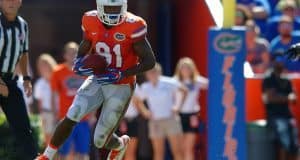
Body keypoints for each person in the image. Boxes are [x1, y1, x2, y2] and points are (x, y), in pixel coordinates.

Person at [35, 0, 156, 159]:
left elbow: (149, 61)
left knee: (100, 140)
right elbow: (86, 42)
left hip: (121, 84)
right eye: (109, 8)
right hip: (98, 78)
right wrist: (79, 59)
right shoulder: (90, 20)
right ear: (100, 7)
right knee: (73, 112)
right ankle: (46, 156)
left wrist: (122, 73)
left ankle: (120, 145)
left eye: (116, 8)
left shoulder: (133, 25)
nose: (112, 13)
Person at [0, 0, 38, 159]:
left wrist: (27, 78)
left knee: (23, 126)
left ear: (20, 2)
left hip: (10, 80)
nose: (11, 3)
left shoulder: (23, 25)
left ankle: (32, 157)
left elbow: (24, 52)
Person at [135, 63, 185, 160]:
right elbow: (137, 100)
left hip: (171, 119)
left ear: (159, 72)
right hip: (155, 122)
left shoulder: (169, 82)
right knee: (158, 152)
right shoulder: (146, 87)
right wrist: (145, 112)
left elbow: (183, 90)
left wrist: (177, 106)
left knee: (177, 151)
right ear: (146, 75)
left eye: (154, 72)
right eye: (149, 73)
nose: (152, 74)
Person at [50, 42, 90, 160]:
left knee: (82, 153)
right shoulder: (57, 71)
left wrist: (92, 115)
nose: (73, 55)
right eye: (70, 53)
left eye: (75, 53)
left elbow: (91, 94)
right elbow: (54, 95)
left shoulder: (85, 70)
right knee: (63, 152)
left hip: (83, 117)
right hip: (65, 118)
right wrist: (55, 114)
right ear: (65, 55)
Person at [262, 59, 299, 160]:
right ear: (273, 62)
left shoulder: (286, 80)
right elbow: (269, 99)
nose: (280, 63)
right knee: (282, 143)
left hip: (287, 116)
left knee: (294, 145)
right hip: (274, 116)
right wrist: (286, 97)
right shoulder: (268, 79)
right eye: (277, 60)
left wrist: (279, 97)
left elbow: (294, 98)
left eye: (281, 60)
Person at [173, 58, 208, 160]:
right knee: (179, 149)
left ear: (192, 69)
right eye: (183, 67)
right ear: (179, 69)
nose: (185, 70)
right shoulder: (174, 81)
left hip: (192, 116)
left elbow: (214, 85)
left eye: (188, 67)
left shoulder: (197, 81)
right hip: (178, 117)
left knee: (188, 148)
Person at [33, 54, 57, 145]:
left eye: (46, 64)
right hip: (46, 113)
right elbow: (40, 102)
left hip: (60, 113)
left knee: (62, 141)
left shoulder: (59, 78)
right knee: (48, 140)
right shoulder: (40, 83)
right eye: (41, 65)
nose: (44, 67)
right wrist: (42, 117)